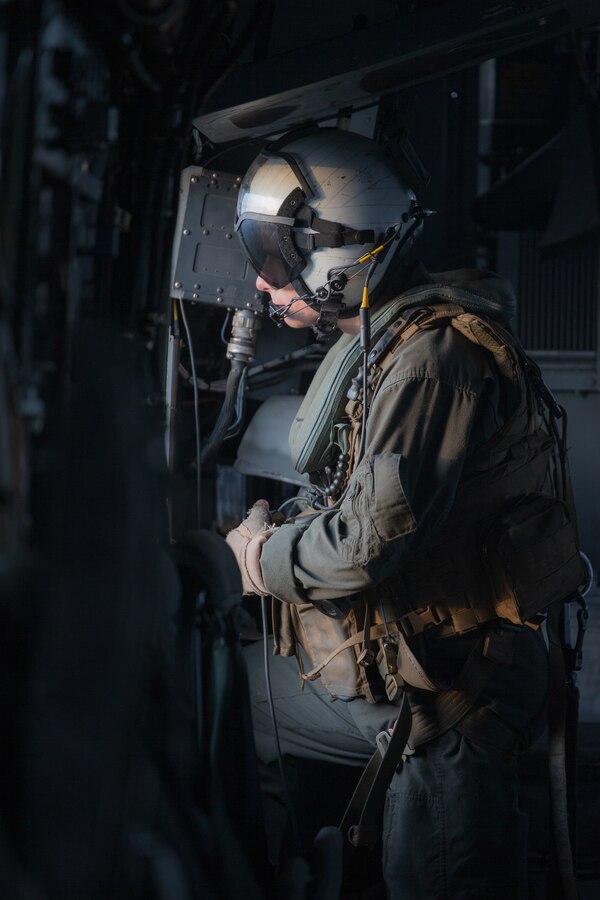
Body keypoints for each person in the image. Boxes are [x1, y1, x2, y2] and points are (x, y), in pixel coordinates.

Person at [225, 126, 583, 899]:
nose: (262, 282)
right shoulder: (379, 345)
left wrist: (257, 560)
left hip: (452, 696)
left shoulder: (432, 359)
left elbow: (363, 546)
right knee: (226, 687)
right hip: (402, 659)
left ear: (342, 251)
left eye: (275, 257)